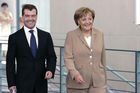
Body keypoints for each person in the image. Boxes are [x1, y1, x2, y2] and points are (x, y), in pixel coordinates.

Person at [6, 4, 57, 93]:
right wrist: (11, 83)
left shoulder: (46, 36)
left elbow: (52, 56)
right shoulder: (14, 38)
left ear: (36, 17)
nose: (30, 19)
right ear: (22, 17)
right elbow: (10, 62)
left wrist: (50, 69)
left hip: (41, 84)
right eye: (27, 16)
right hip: (22, 84)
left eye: (33, 16)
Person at [64, 7, 107, 93]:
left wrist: (104, 77)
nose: (87, 22)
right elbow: (68, 58)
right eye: (84, 19)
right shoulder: (71, 35)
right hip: (77, 83)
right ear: (78, 21)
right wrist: (75, 73)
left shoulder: (100, 34)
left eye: (90, 19)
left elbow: (103, 57)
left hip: (98, 82)